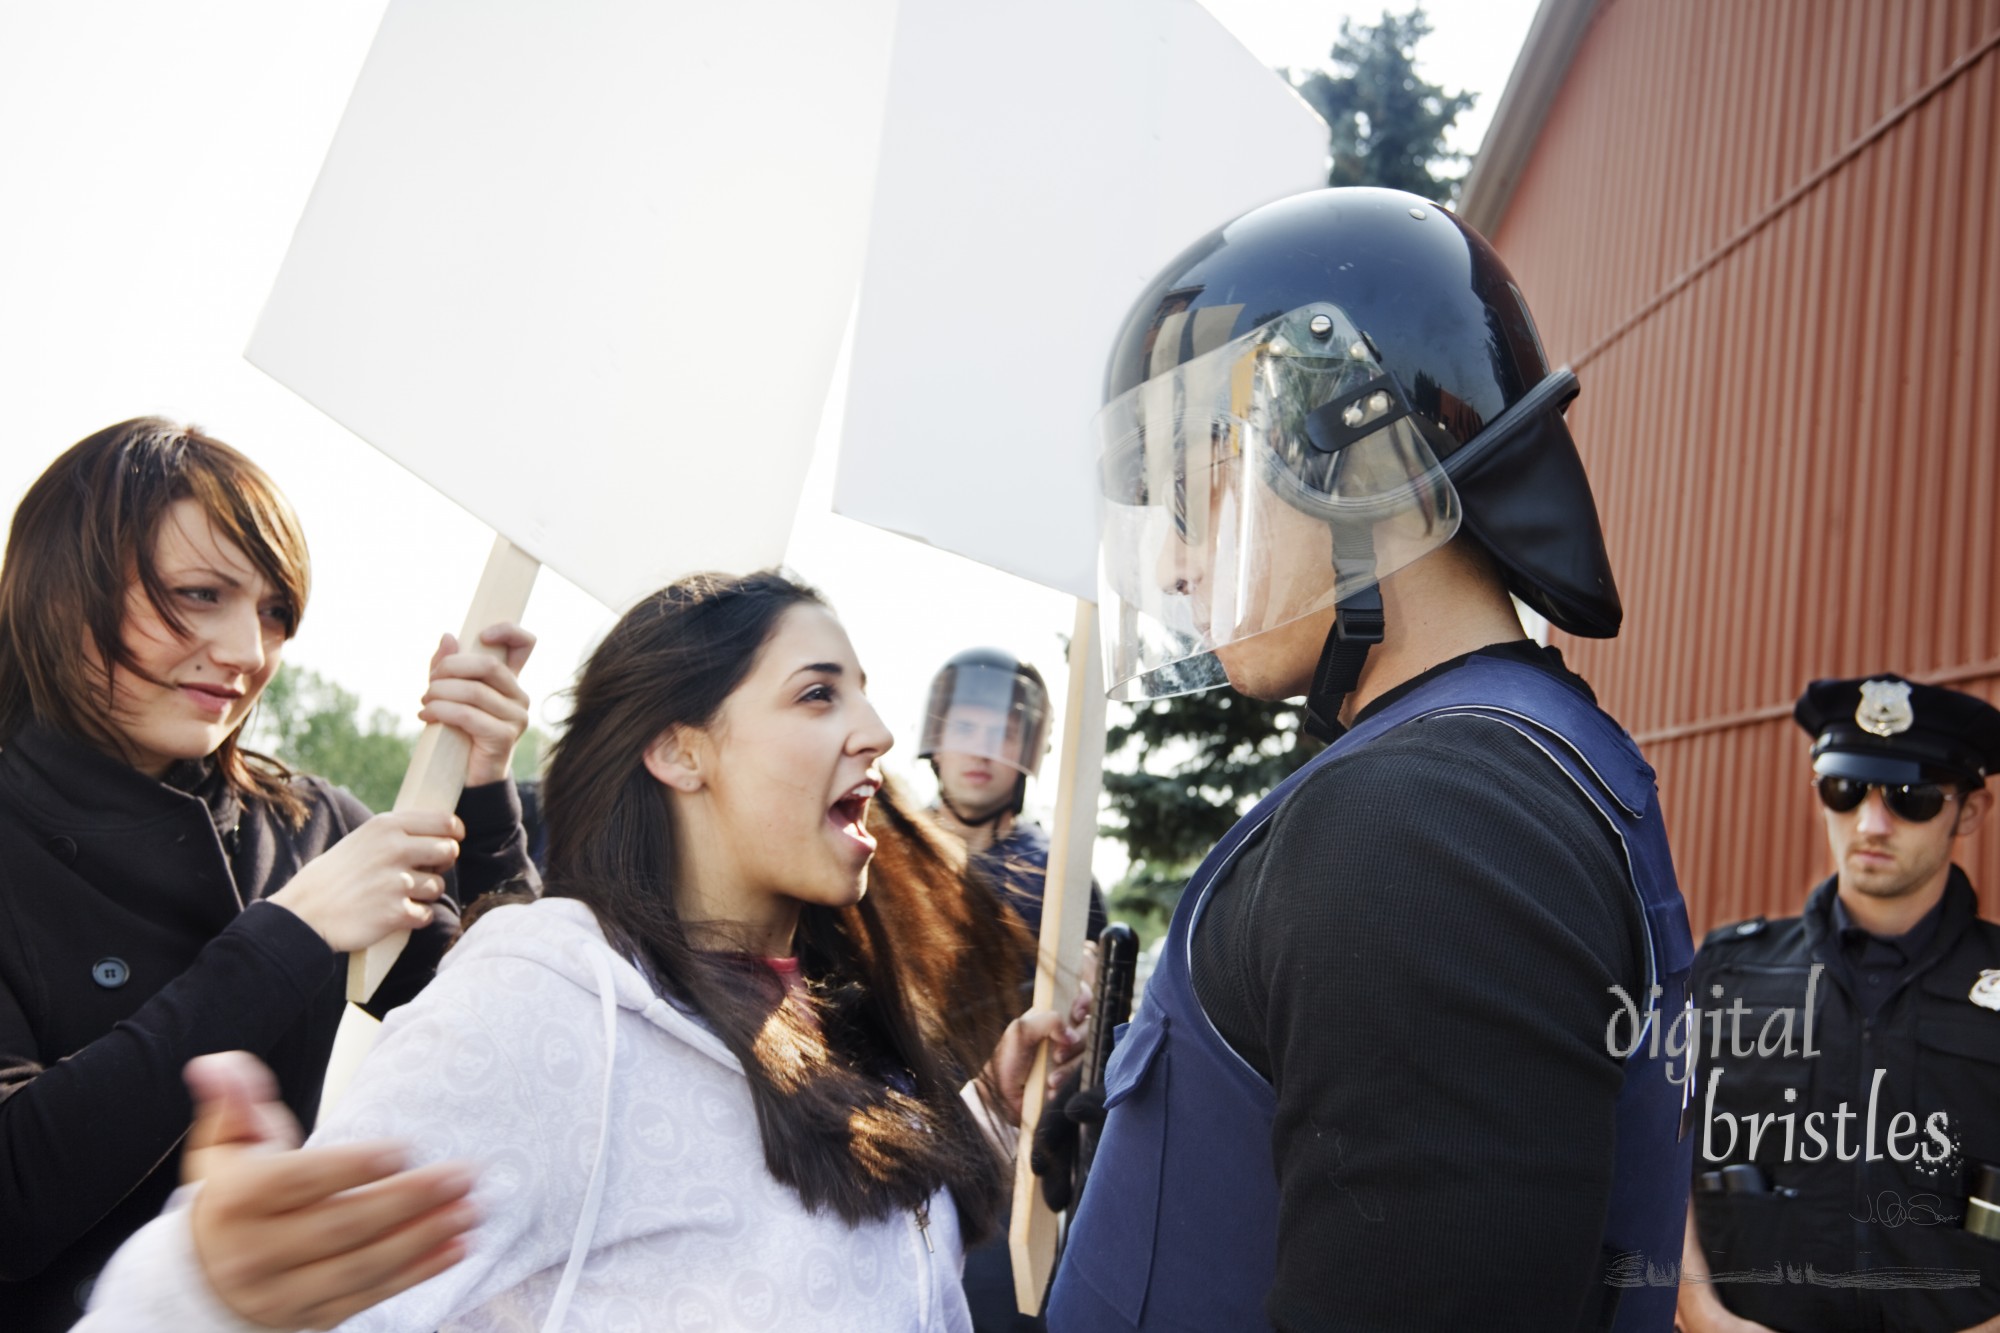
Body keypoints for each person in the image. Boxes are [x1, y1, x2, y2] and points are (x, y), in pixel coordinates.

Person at [79, 568, 1085, 1332]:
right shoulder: (544, 1003)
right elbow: (317, 1292)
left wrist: (986, 1113)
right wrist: (207, 1286)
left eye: (863, 693)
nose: (873, 731)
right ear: (678, 749)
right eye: (818, 694)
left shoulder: (850, 1019)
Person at [1043, 186, 1693, 1331]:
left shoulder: (1425, 829)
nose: (1181, 568)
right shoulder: (1471, 775)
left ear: (1351, 447)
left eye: (1194, 493)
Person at [0, 418, 539, 1332]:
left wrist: (484, 794)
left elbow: (519, 1046)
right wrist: (287, 935)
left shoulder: (313, 825)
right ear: (57, 592)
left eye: (275, 612)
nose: (250, 651)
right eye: (199, 594)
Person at [1677, 675, 2000, 1333]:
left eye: (1911, 798)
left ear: (1968, 811)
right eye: (1845, 789)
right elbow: (1658, 1155)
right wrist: (1702, 1313)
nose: (1870, 824)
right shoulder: (1729, 972)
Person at [918, 648, 1106, 1333]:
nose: (981, 749)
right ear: (935, 732)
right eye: (966, 725)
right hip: (875, 1151)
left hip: (1002, 1176)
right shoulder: (871, 856)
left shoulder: (1062, 881)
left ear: (1029, 750)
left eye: (1003, 732)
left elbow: (1088, 1053)